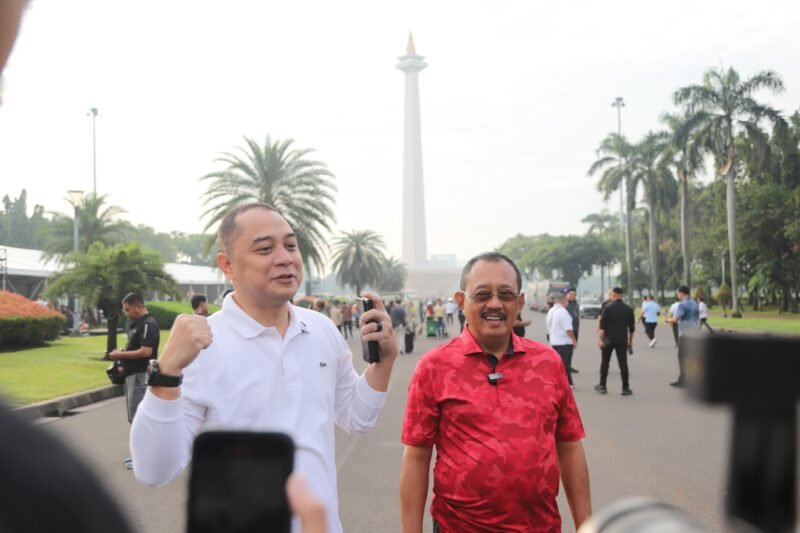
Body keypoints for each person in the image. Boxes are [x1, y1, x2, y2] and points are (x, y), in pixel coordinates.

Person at [130, 203, 398, 533]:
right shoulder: (202, 346)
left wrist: (383, 364)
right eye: (265, 248)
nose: (285, 258)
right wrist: (166, 373)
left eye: (290, 245)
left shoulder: (321, 329)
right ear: (227, 265)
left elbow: (357, 418)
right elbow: (154, 471)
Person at [400, 252, 590, 532]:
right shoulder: (434, 367)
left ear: (520, 301)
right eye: (482, 294)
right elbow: (416, 457)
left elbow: (570, 447)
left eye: (505, 294)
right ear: (461, 301)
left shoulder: (548, 363)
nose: (495, 304)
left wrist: (587, 526)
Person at [109, 292, 160, 469]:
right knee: (134, 417)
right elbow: (135, 348)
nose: (126, 313)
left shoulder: (148, 324)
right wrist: (123, 357)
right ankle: (138, 455)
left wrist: (120, 354)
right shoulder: (136, 324)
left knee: (139, 418)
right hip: (132, 375)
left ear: (138, 306)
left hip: (140, 376)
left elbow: (146, 352)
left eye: (128, 309)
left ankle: (144, 458)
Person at [595, 287, 635, 396]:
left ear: (614, 295)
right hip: (622, 339)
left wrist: (600, 339)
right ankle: (625, 388)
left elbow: (602, 327)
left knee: (605, 362)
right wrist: (630, 342)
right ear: (622, 295)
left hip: (608, 339)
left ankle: (602, 386)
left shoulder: (608, 308)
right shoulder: (628, 309)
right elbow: (631, 329)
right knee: (623, 364)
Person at [665, 286, 700, 388]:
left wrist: (668, 320)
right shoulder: (694, 303)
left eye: (678, 293)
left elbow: (675, 319)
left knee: (682, 356)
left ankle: (683, 379)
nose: (677, 295)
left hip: (685, 333)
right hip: (694, 331)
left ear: (681, 293)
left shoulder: (682, 304)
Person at [546, 290, 577, 387]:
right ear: (565, 301)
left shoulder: (552, 311)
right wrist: (574, 340)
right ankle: (567, 383)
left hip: (554, 341)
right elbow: (569, 329)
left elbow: (548, 324)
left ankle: (557, 382)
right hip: (564, 343)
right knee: (565, 364)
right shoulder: (563, 312)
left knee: (558, 363)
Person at [566, 287, 581, 373]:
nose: (573, 296)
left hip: (575, 329)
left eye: (574, 294)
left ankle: (568, 365)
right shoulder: (565, 304)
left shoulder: (576, 305)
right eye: (571, 294)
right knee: (566, 349)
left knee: (571, 349)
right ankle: (565, 366)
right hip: (568, 330)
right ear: (567, 295)